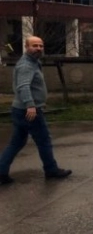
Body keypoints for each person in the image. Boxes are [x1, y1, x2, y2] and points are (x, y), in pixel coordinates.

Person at [0, 36, 72, 185]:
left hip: (20, 110)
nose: (38, 48)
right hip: (28, 111)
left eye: (40, 45)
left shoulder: (33, 62)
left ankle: (1, 172)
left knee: (16, 143)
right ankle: (51, 170)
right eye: (34, 46)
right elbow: (23, 86)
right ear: (27, 47)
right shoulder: (26, 65)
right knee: (44, 140)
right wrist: (31, 105)